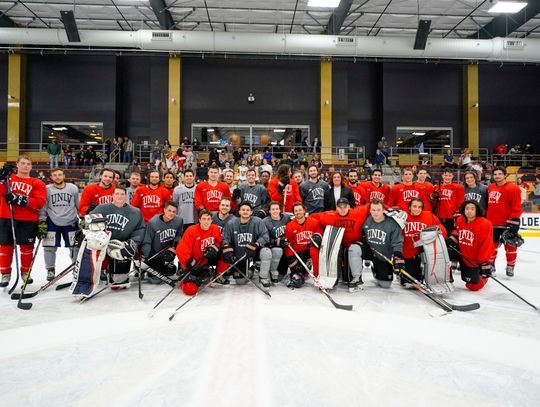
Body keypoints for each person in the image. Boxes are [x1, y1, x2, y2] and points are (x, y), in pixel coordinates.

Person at [81, 186, 145, 291]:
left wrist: (132, 242)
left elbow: (139, 230)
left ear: (126, 196)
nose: (119, 196)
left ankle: (116, 274)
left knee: (118, 284)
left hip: (120, 245)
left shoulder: (135, 212)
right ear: (112, 195)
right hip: (102, 244)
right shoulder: (101, 208)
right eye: (117, 194)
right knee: (91, 255)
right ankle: (98, 272)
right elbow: (89, 224)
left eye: (122, 194)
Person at [0, 157, 47, 287]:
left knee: (26, 248)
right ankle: (5, 274)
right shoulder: (9, 179)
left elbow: (40, 203)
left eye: (28, 164)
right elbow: (1, 192)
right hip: (7, 216)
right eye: (23, 163)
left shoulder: (37, 183)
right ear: (17, 165)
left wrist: (22, 199)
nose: (25, 166)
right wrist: (2, 179)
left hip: (28, 219)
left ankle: (26, 272)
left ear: (31, 167)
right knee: (5, 246)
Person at [311, 198, 370, 291]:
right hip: (338, 246)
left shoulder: (358, 212)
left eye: (345, 206)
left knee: (348, 278)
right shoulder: (329, 215)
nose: (342, 209)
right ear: (336, 208)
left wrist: (389, 209)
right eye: (340, 207)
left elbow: (372, 205)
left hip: (354, 246)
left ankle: (355, 276)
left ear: (349, 207)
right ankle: (329, 275)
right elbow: (311, 218)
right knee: (331, 248)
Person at [39, 168, 80, 281]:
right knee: (49, 247)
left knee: (75, 247)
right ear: (51, 177)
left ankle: (76, 267)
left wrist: (82, 217)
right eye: (55, 175)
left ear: (64, 176)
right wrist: (42, 221)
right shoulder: (47, 189)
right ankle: (50, 269)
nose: (57, 177)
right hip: (52, 220)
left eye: (59, 174)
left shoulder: (72, 188)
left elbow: (78, 204)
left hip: (71, 220)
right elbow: (43, 206)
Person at [446, 201, 495, 291]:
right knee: (442, 251)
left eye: (472, 209)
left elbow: (486, 245)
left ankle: (483, 278)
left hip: (473, 259)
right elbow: (457, 232)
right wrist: (452, 238)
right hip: (461, 253)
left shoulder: (485, 224)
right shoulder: (460, 220)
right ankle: (446, 278)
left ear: (477, 210)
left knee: (472, 286)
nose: (469, 211)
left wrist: (484, 262)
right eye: (467, 208)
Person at [222, 202, 271, 286]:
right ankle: (250, 269)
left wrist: (256, 244)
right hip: (240, 256)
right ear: (239, 212)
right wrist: (227, 248)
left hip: (254, 253)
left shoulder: (258, 221)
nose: (245, 212)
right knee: (240, 281)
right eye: (243, 210)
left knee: (266, 251)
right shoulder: (231, 224)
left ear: (251, 212)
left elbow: (265, 236)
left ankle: (263, 277)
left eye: (248, 210)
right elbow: (225, 239)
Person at [176, 209, 223, 295]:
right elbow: (181, 249)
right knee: (190, 290)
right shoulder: (192, 230)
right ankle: (183, 280)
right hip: (193, 262)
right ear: (199, 220)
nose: (206, 221)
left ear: (211, 220)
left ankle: (217, 275)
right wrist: (191, 263)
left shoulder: (215, 228)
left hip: (206, 259)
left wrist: (214, 247)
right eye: (204, 219)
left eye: (208, 219)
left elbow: (219, 241)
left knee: (225, 252)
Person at [486, 166, 523, 277]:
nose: (497, 176)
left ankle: (510, 266)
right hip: (492, 222)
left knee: (511, 245)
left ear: (505, 175)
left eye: (500, 174)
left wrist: (514, 220)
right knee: (491, 246)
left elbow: (516, 206)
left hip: (507, 222)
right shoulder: (491, 187)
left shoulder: (513, 188)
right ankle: (491, 265)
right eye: (495, 174)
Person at [361, 199, 404, 288]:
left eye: (378, 210)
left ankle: (376, 270)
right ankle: (356, 278)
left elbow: (397, 242)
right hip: (370, 250)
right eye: (373, 210)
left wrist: (397, 256)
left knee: (386, 284)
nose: (375, 213)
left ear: (383, 210)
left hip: (383, 255)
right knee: (354, 249)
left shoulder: (392, 223)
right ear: (370, 210)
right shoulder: (366, 220)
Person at [402, 198, 446, 283]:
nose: (417, 209)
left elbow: (442, 230)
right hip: (409, 251)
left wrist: (430, 238)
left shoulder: (428, 215)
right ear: (409, 207)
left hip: (426, 249)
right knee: (410, 281)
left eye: (419, 207)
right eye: (414, 206)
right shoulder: (403, 216)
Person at [141, 201, 183, 283]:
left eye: (174, 211)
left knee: (170, 271)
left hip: (168, 252)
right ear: (164, 210)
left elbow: (179, 235)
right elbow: (147, 241)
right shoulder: (153, 222)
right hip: (155, 254)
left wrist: (174, 247)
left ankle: (168, 264)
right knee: (156, 280)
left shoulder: (179, 220)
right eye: (169, 211)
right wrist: (144, 257)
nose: (171, 213)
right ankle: (149, 269)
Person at [284, 202, 322, 288]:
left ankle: (316, 274)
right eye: (296, 211)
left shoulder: (314, 222)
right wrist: (291, 258)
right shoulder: (290, 226)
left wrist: (317, 239)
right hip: (298, 253)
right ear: (293, 213)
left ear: (304, 210)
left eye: (300, 210)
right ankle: (303, 272)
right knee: (297, 281)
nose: (298, 212)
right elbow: (288, 244)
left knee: (314, 250)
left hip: (311, 249)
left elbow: (319, 235)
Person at [262, 201, 292, 284]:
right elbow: (265, 238)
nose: (275, 211)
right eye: (273, 209)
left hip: (285, 244)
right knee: (278, 251)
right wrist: (277, 241)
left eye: (277, 209)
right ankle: (271, 271)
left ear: (280, 210)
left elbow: (291, 229)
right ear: (269, 211)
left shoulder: (286, 218)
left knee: (282, 272)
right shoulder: (265, 221)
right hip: (273, 246)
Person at [432, 168, 464, 235]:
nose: (447, 177)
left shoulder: (458, 187)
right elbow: (433, 204)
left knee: (448, 236)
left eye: (450, 175)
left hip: (451, 216)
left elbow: (461, 202)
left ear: (452, 176)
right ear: (442, 176)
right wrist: (434, 197)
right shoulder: (436, 188)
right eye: (446, 175)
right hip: (438, 216)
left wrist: (457, 215)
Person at [172, 168, 197, 233]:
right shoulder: (177, 189)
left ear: (194, 177)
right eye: (187, 176)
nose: (189, 178)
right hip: (181, 219)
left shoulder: (198, 188)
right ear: (183, 177)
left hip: (195, 220)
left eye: (190, 176)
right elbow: (174, 205)